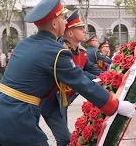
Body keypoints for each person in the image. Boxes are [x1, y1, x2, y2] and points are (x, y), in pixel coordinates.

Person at [0, 0, 135, 146]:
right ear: (55, 22)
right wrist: (116, 106)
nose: (66, 21)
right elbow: (82, 83)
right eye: (64, 17)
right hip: (17, 122)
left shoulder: (24, 44)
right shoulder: (56, 52)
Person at [41, 9, 103, 145]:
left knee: (64, 137)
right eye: (80, 28)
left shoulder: (81, 51)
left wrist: (109, 75)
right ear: (70, 32)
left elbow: (91, 69)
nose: (84, 31)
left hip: (64, 98)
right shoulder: (60, 51)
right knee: (64, 138)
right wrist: (99, 81)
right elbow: (78, 74)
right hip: (52, 100)